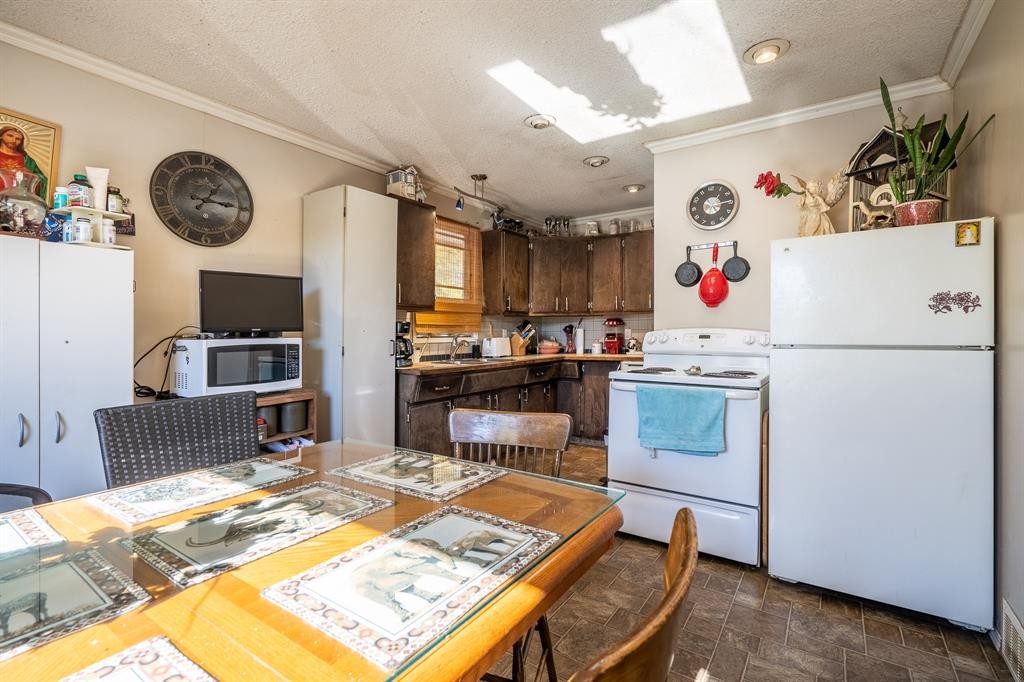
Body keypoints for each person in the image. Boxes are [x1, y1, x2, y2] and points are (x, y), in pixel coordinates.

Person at [0, 125, 47, 199]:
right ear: (1, 136)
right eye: (10, 136)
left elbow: (42, 179)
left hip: (18, 198)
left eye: (18, 139)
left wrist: (28, 173)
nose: (13, 140)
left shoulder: (26, 159)